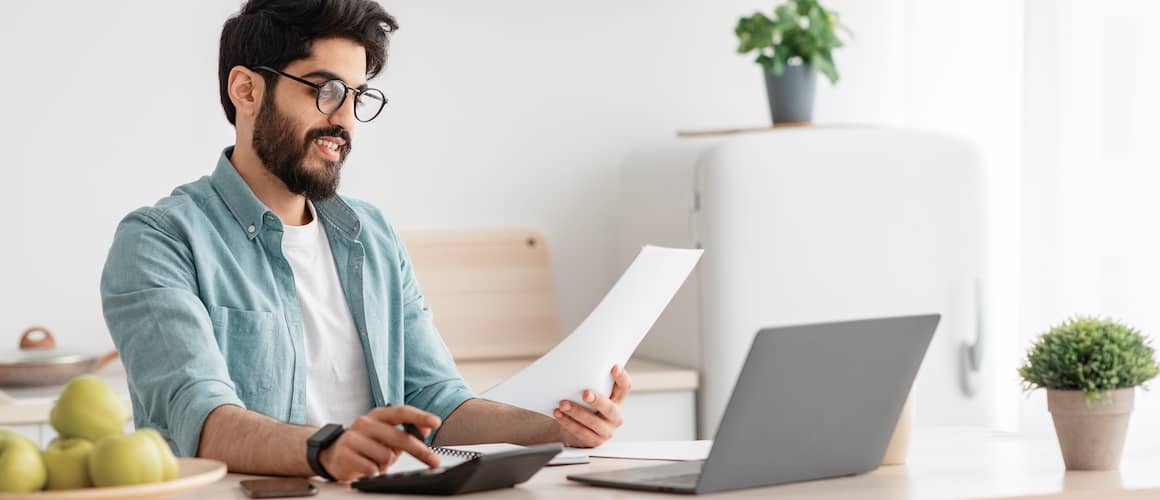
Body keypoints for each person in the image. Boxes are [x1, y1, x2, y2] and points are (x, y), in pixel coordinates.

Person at [99, 0, 632, 482]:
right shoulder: (159, 241)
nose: (346, 119)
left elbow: (436, 404)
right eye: (325, 91)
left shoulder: (370, 235)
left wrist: (558, 427)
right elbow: (202, 420)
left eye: (358, 96)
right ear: (247, 90)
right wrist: (330, 447)